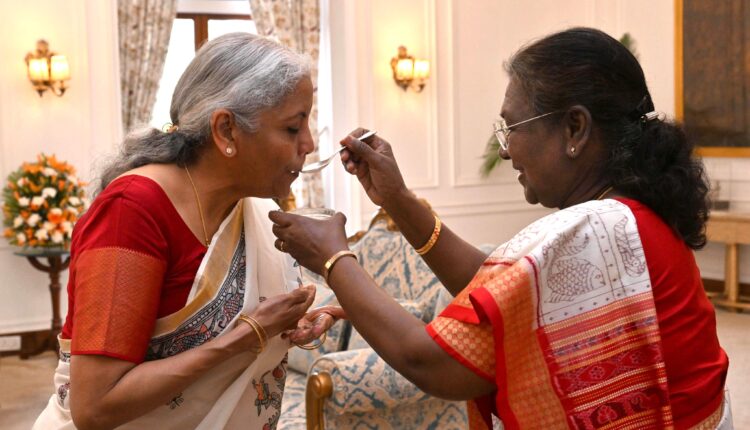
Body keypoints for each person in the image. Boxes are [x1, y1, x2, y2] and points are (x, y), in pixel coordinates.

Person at [270, 28, 731, 429]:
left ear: (575, 129)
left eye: (512, 127)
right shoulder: (625, 216)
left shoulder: (592, 229)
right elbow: (494, 287)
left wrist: (334, 260)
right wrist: (397, 199)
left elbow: (432, 364)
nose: (506, 151)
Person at [33, 33, 343, 430]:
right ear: (226, 131)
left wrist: (285, 324)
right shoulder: (132, 212)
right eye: (291, 128)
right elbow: (96, 406)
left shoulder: (251, 208)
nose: (310, 144)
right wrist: (248, 336)